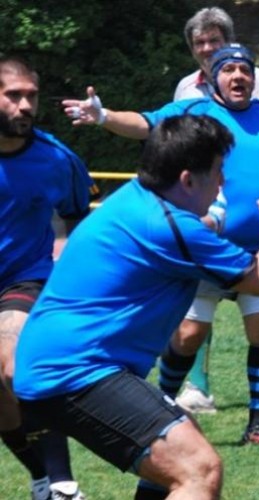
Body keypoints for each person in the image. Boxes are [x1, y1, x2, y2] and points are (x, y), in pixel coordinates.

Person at [13, 114, 259, 499]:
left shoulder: (139, 201)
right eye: (219, 171)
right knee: (198, 470)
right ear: (187, 179)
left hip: (63, 364)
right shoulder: (168, 227)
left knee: (177, 448)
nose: (223, 182)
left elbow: (193, 230)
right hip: (75, 372)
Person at [61, 44, 259, 447]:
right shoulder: (195, 112)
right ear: (214, 79)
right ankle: (163, 407)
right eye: (230, 70)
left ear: (254, 78)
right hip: (203, 249)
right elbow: (145, 123)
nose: (239, 76)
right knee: (189, 334)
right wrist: (103, 116)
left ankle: (258, 425)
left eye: (245, 70)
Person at [173, 5, 259, 415]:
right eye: (200, 43)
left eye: (214, 42)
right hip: (206, 232)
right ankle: (192, 388)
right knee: (190, 328)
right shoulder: (185, 92)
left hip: (256, 235)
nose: (207, 49)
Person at [0, 56, 93, 500]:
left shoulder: (58, 159)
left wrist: (74, 288)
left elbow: (80, 222)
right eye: (13, 96)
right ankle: (40, 476)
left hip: (23, 280)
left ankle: (61, 485)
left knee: (14, 367)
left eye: (31, 96)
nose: (24, 106)